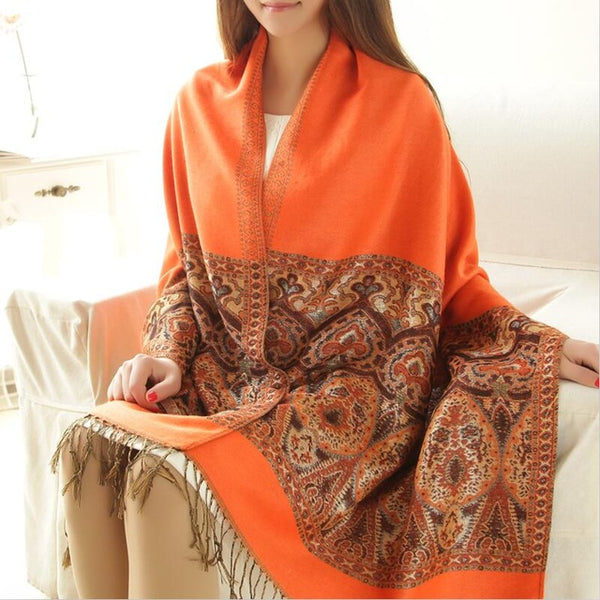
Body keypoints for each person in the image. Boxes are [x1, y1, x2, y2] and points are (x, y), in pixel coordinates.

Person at [54, 1, 599, 598]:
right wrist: (165, 354)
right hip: (220, 377)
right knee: (89, 453)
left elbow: (451, 277)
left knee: (161, 483)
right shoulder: (196, 104)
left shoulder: (403, 105)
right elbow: (185, 273)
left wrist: (537, 342)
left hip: (345, 402)